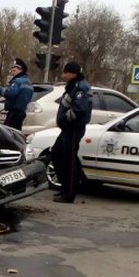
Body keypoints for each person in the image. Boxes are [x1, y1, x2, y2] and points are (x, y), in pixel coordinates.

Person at [51, 62, 92, 203]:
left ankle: (69, 193)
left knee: (69, 160)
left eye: (65, 73)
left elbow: (79, 110)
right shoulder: (73, 86)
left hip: (73, 128)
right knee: (56, 153)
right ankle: (68, 186)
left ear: (72, 73)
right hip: (68, 129)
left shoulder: (80, 88)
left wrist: (63, 119)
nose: (63, 75)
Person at [0, 58, 33, 131]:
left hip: (14, 112)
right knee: (17, 132)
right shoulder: (29, 83)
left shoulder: (17, 81)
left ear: (21, 70)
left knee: (8, 132)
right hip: (22, 112)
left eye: (14, 70)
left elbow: (10, 93)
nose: (13, 73)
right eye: (12, 71)